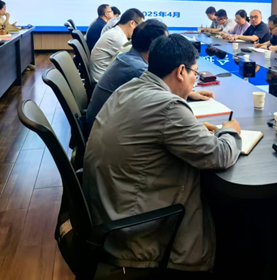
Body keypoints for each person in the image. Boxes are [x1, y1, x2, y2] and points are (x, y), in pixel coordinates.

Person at [83, 34, 242, 273]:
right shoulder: (169, 107)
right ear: (181, 72)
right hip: (136, 234)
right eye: (195, 74)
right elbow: (219, 155)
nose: (194, 81)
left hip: (110, 211)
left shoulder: (130, 87)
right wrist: (230, 131)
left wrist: (193, 130)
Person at [85, 19, 215, 134]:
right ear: (155, 45)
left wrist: (189, 93)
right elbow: (167, 103)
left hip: (102, 127)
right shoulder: (138, 69)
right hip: (103, 131)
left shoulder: (129, 56)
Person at [90, 8, 144, 82]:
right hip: (101, 81)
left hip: (102, 77)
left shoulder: (116, 33)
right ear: (132, 23)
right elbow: (135, 62)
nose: (140, 31)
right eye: (140, 27)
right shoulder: (117, 38)